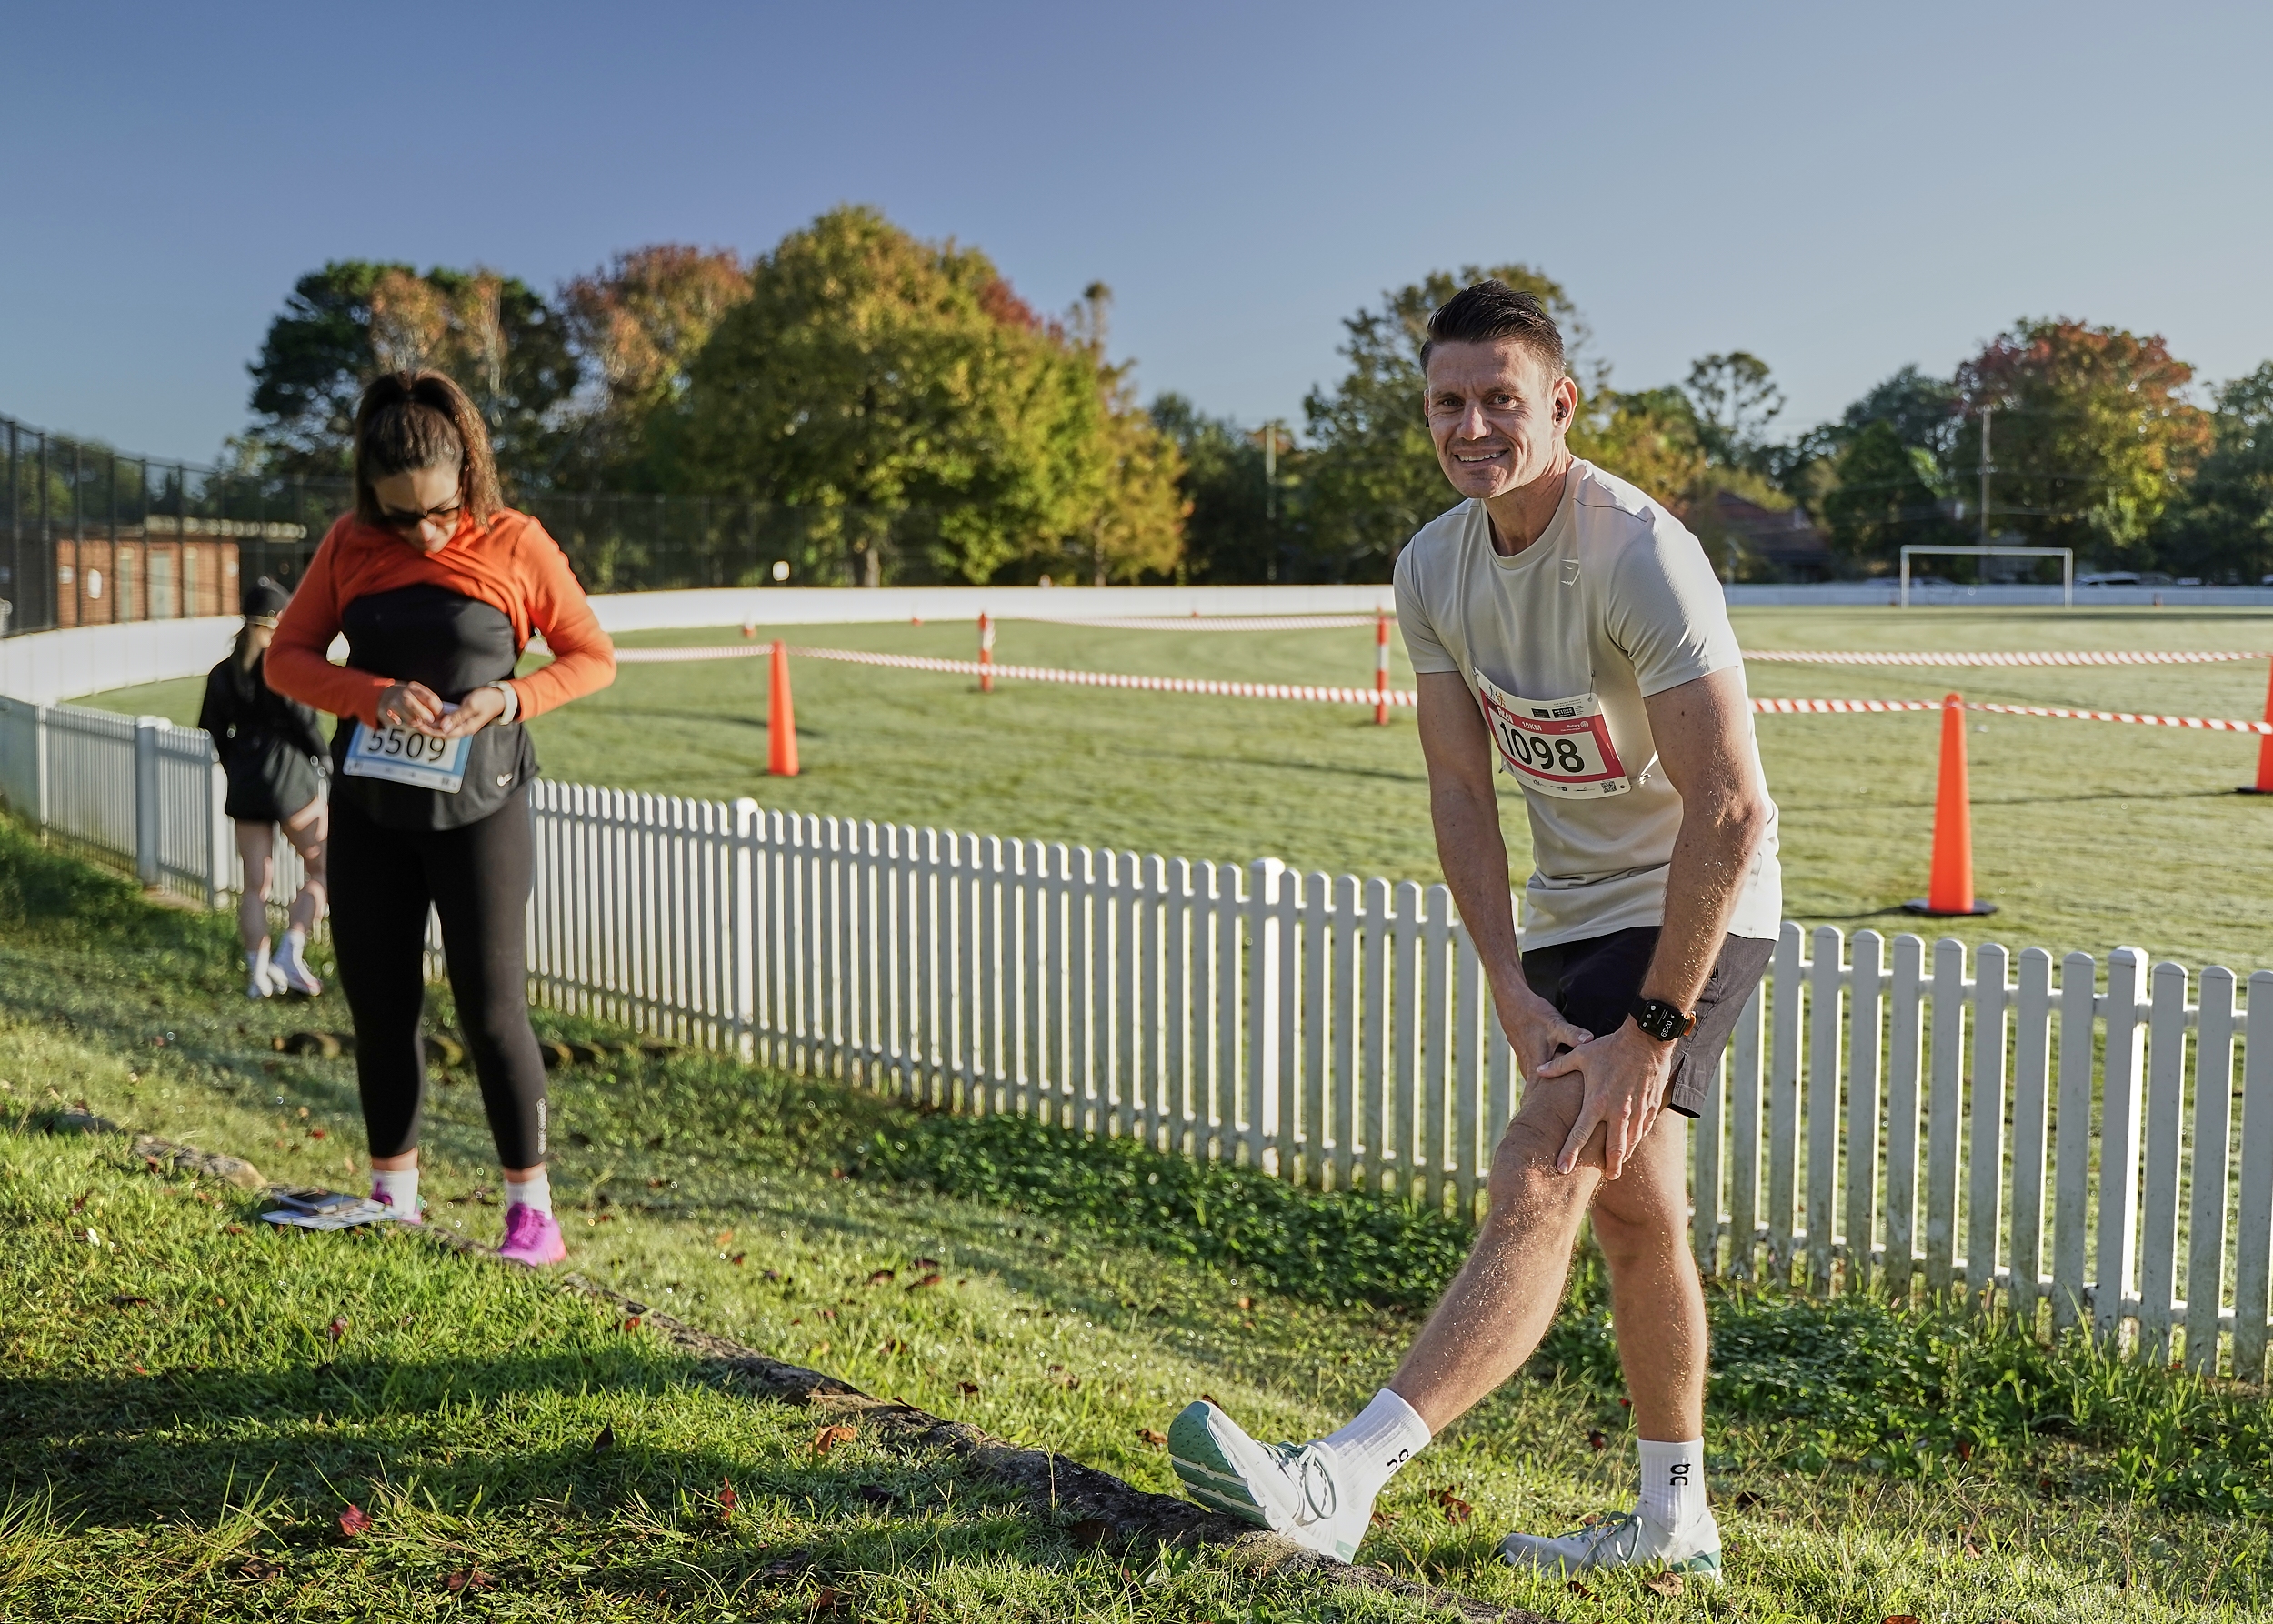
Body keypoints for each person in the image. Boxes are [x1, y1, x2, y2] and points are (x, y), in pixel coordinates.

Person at [1167, 283, 1779, 1584]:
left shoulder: (1636, 552)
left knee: (1544, 1166)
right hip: (1569, 916)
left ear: (1560, 402)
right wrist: (1504, 978)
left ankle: (1344, 1474)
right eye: (1449, 401)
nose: (1474, 423)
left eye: (1502, 396)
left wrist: (1653, 1030)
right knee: (1633, 1209)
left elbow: (1729, 808)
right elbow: (1458, 787)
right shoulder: (1432, 565)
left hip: (1696, 895)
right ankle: (1675, 1522)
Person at [265, 370, 616, 1266]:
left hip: (482, 807)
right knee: (380, 1006)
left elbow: (590, 657)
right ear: (367, 495)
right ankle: (394, 1193)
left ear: (467, 475)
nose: (420, 530)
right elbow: (290, 661)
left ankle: (530, 1211)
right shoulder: (348, 545)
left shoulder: (514, 541)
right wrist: (372, 694)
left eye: (436, 511)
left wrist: (505, 699)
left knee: (492, 1010)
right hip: (373, 807)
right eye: (398, 514)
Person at [197, 576, 330, 998]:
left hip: (247, 781)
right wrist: (326, 760)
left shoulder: (223, 672)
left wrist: (235, 764)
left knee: (255, 885)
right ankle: (291, 948)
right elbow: (305, 723)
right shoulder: (283, 667)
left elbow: (215, 730)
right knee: (324, 868)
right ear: (278, 621)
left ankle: (257, 974)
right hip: (290, 779)